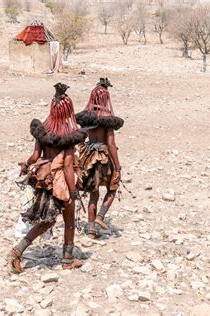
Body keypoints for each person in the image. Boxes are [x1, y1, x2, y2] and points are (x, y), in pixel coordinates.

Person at [8, 83, 87, 273]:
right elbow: (68, 165)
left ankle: (19, 250)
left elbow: (35, 157)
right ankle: (66, 259)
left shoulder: (43, 132)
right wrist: (74, 192)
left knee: (47, 219)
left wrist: (26, 165)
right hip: (60, 182)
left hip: (43, 180)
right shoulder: (68, 136)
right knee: (67, 220)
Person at [75, 78, 124, 239]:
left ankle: (91, 229)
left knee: (93, 192)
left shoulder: (87, 117)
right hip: (103, 158)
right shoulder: (107, 119)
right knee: (112, 187)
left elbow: (81, 137)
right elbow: (111, 143)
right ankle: (100, 216)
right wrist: (117, 166)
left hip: (89, 156)